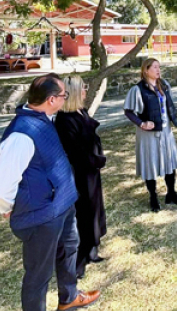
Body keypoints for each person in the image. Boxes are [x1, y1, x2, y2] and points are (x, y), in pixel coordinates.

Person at [0, 74, 100, 311]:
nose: (66, 98)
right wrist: (6, 208)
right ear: (51, 100)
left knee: (69, 247)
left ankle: (69, 297)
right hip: (41, 216)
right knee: (38, 275)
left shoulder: (45, 118)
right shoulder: (21, 135)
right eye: (63, 95)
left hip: (61, 205)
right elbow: (5, 181)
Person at [54, 76, 107, 279]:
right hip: (80, 174)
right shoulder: (65, 120)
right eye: (83, 87)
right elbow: (76, 153)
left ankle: (93, 248)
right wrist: (95, 160)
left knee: (95, 209)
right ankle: (80, 262)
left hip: (92, 171)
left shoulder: (81, 111)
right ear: (75, 91)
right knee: (83, 214)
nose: (86, 90)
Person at [124, 58, 177, 212]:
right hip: (148, 134)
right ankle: (153, 197)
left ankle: (171, 194)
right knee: (150, 163)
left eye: (159, 67)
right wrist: (142, 123)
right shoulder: (137, 89)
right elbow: (128, 111)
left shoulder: (163, 84)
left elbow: (168, 105)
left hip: (165, 131)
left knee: (169, 161)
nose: (159, 70)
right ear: (146, 70)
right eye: (155, 67)